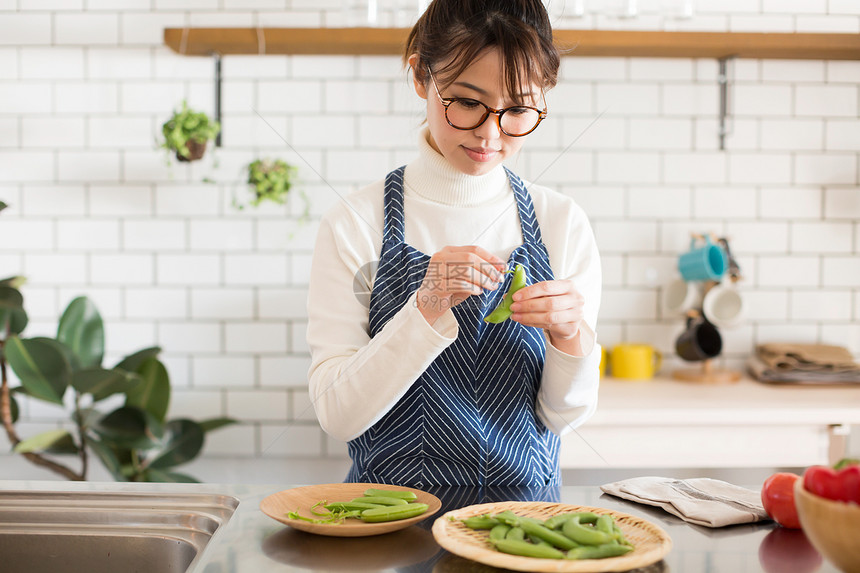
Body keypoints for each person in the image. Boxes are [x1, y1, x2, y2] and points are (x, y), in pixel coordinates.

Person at [306, 0, 601, 487]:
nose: (490, 134)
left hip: (522, 531)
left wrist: (572, 338)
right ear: (421, 76)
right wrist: (424, 308)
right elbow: (337, 415)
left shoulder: (561, 222)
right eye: (467, 102)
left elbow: (563, 419)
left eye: (520, 110)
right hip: (389, 531)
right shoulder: (356, 223)